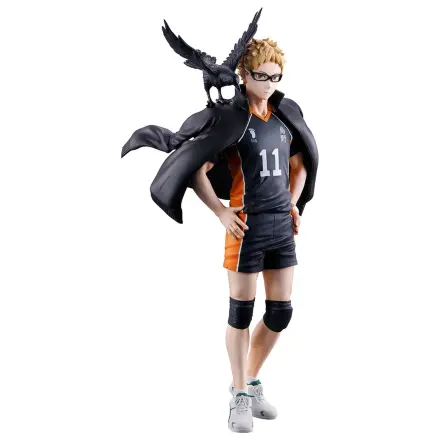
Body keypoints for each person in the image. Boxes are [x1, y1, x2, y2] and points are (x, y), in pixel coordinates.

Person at [191, 38, 308, 433]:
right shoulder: (232, 122)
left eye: (277, 77)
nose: (270, 84)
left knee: (280, 312)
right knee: (240, 313)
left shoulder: (283, 118)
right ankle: (239, 395)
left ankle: (248, 381)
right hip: (246, 226)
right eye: (262, 76)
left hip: (281, 226)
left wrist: (292, 203)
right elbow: (197, 168)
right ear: (244, 75)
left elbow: (300, 165)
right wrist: (221, 211)